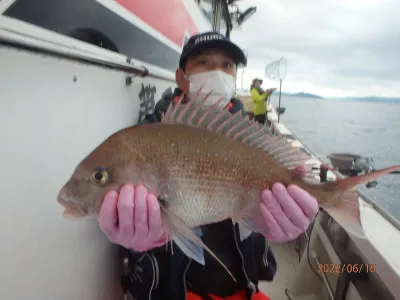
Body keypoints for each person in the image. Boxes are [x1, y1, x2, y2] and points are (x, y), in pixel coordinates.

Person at [98, 32, 319, 300]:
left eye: (227, 65)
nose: (217, 72)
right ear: (181, 77)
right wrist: (140, 242)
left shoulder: (251, 136)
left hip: (246, 291)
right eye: (204, 62)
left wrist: (269, 225)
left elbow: (255, 218)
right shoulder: (147, 136)